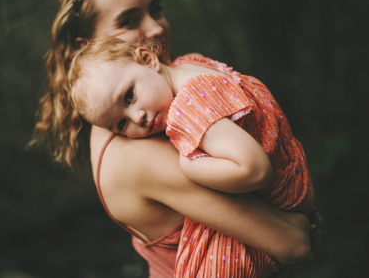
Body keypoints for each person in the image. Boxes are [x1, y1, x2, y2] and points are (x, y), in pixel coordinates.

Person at [32, 0, 317, 278]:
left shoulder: (178, 80)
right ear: (87, 50)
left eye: (155, 10)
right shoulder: (133, 152)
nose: (155, 29)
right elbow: (293, 241)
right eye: (128, 21)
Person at [64, 36, 315, 277]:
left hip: (280, 198)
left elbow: (255, 170)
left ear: (147, 59)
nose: (137, 117)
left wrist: (191, 166)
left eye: (129, 96)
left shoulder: (188, 108)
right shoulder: (192, 65)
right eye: (120, 124)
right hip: (292, 174)